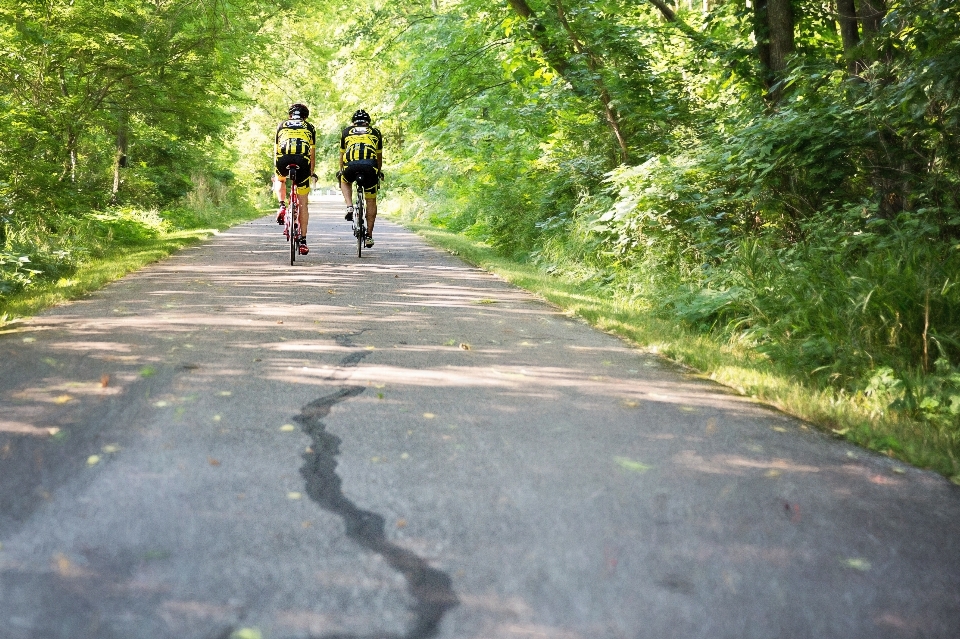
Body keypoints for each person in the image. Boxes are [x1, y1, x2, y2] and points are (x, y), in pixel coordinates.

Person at [274, 103, 317, 255]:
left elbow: (276, 149)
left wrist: (277, 169)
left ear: (290, 115)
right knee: (303, 204)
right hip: (302, 162)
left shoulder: (281, 125)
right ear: (305, 116)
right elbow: (311, 153)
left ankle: (281, 206)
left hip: (283, 161)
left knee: (280, 180)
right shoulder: (309, 127)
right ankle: (303, 241)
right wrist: (311, 172)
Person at [339, 109, 383, 248]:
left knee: (344, 181)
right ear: (368, 123)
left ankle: (350, 206)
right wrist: (378, 172)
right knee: (371, 200)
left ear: (353, 123)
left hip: (351, 167)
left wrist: (341, 170)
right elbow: (378, 158)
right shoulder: (375, 132)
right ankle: (369, 236)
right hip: (370, 167)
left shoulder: (346, 132)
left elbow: (342, 156)